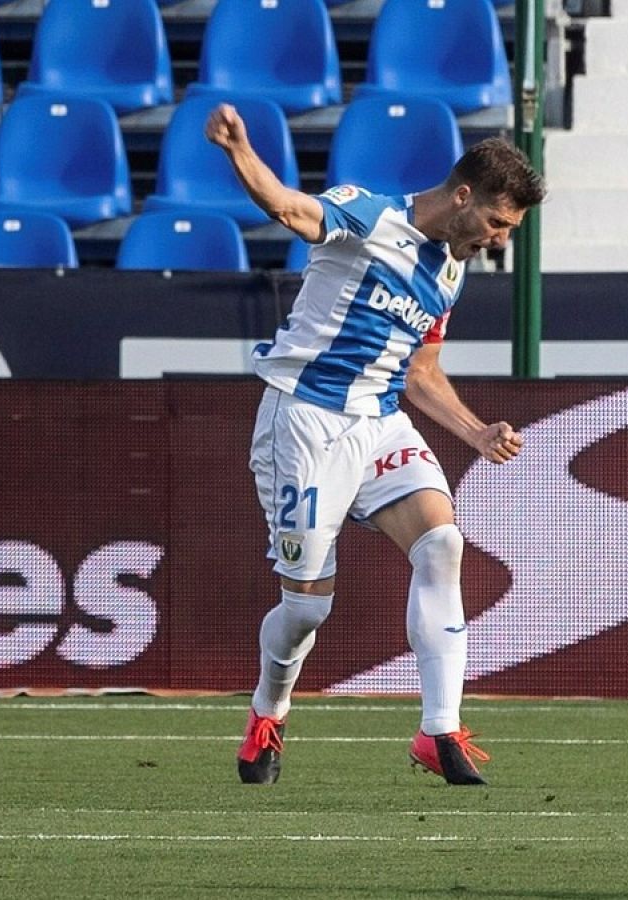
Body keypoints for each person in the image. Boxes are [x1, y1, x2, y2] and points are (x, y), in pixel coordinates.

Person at [205, 104, 545, 786]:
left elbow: (420, 371)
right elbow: (291, 211)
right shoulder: (368, 215)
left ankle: (438, 730)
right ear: (462, 196)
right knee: (306, 608)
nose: (500, 239)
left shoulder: (450, 270)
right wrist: (240, 150)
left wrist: (475, 432)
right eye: (498, 223)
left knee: (442, 544)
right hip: (305, 422)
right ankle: (268, 713)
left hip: (380, 423)